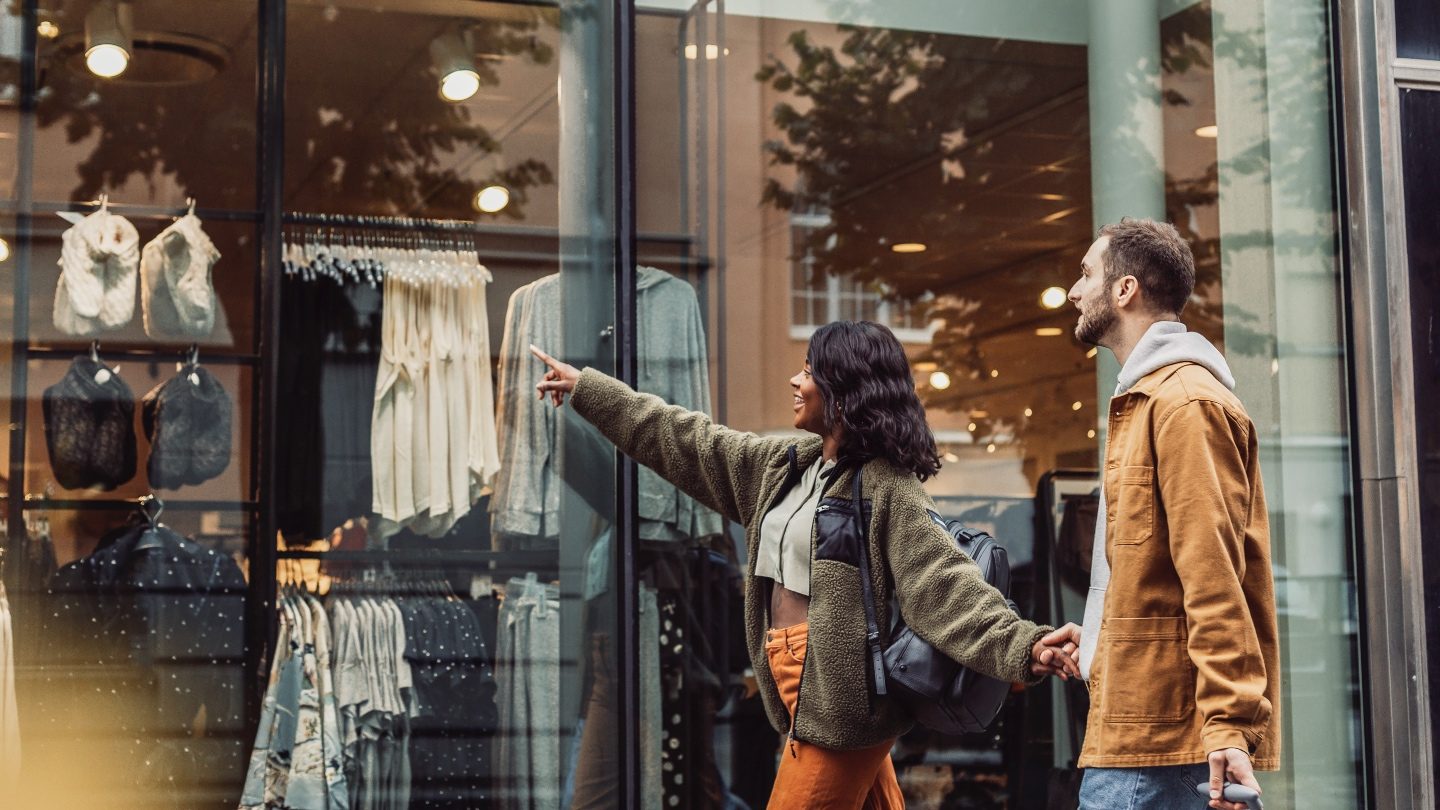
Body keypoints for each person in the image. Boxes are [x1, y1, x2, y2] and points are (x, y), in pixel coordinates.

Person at [530, 321, 1079, 809]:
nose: (796, 381)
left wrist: (1024, 644)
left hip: (840, 703)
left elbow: (941, 583)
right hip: (791, 685)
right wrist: (588, 390)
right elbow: (683, 438)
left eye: (810, 372)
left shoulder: (885, 485)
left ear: (844, 391)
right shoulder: (783, 467)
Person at [1058, 218, 1280, 810]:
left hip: (1161, 736)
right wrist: (1102, 633)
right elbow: (1151, 568)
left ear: (1125, 289)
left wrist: (1229, 723)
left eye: (1086, 273)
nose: (1074, 291)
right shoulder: (1146, 399)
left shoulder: (1184, 404)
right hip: (1137, 722)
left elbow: (1213, 573)